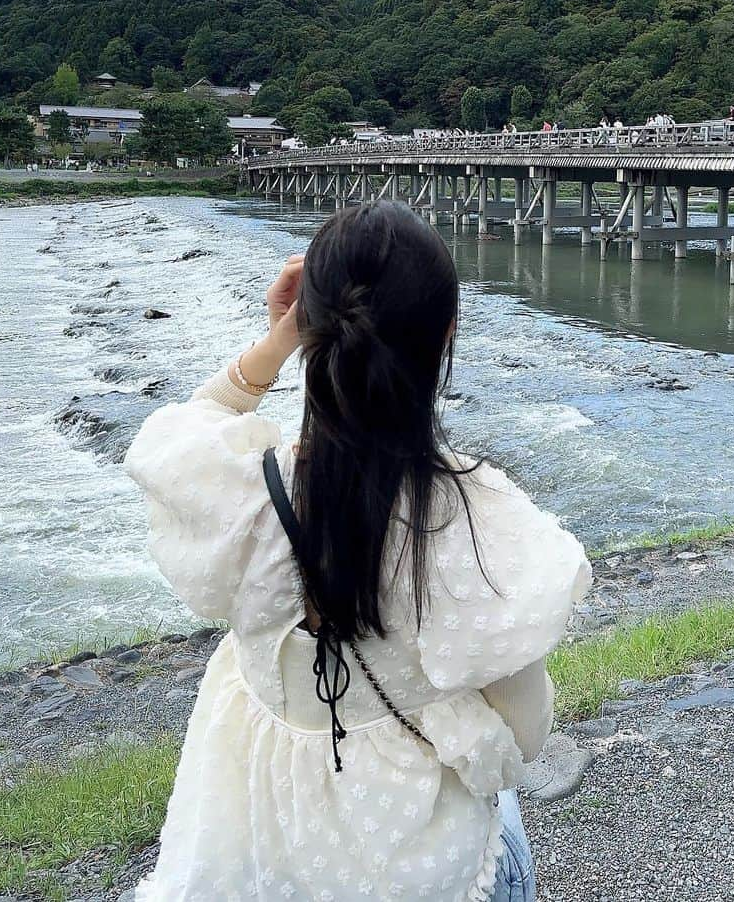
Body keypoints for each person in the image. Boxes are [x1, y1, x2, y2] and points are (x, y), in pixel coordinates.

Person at [125, 202, 590, 902]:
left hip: (249, 840)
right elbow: (526, 734)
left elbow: (181, 434)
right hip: (417, 865)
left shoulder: (245, 494)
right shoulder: (476, 519)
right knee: (503, 809)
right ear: (447, 336)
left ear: (312, 329)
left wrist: (277, 340)